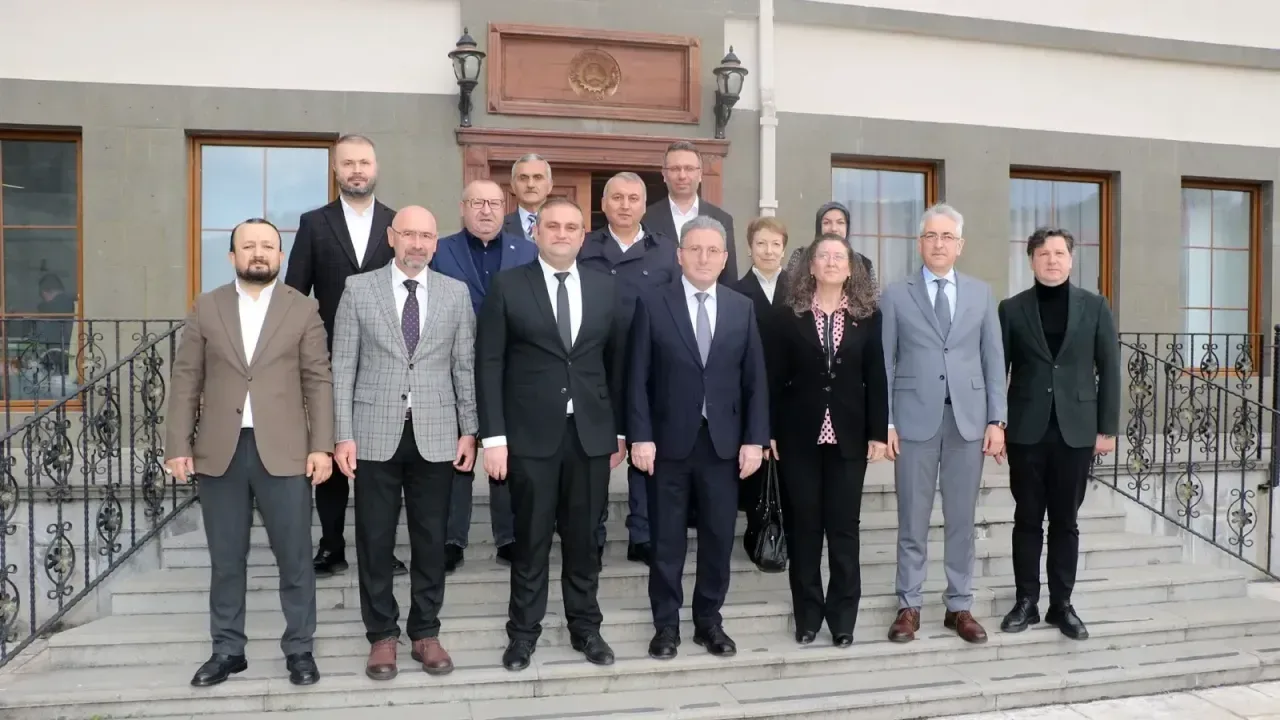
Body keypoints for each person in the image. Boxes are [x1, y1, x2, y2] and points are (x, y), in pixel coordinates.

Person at [165, 218, 333, 688]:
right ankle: (227, 650)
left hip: (285, 452)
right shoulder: (207, 307)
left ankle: (300, 649)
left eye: (268, 246)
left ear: (280, 256)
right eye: (249, 246)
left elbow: (318, 382)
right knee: (226, 557)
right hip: (220, 452)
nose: (258, 253)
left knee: (296, 557)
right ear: (232, 255)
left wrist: (321, 445)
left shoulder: (303, 310)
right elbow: (185, 380)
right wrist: (178, 444)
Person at [476, 196, 628, 672]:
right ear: (536, 233)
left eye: (571, 227)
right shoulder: (508, 285)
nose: (562, 233)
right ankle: (523, 634)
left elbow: (616, 366)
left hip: (589, 437)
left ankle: (586, 629)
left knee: (585, 542)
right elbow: (489, 363)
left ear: (584, 236)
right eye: (553, 226)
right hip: (528, 438)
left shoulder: (607, 289)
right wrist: (493, 438)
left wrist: (619, 432)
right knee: (532, 540)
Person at [331, 205, 478, 680]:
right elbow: (343, 367)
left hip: (436, 433)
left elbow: (464, 366)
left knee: (431, 539)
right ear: (392, 237)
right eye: (409, 234)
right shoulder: (359, 289)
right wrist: (342, 434)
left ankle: (425, 632)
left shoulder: (455, 294)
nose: (418, 243)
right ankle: (381, 636)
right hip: (373, 434)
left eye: (427, 236)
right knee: (374, 538)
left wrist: (469, 429)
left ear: (437, 243)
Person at [628, 215, 768, 661]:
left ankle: (709, 622)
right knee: (666, 541)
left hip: (723, 446)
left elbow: (755, 381)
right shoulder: (652, 302)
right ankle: (665, 626)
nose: (704, 258)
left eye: (713, 250)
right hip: (667, 444)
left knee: (717, 538)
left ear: (725, 258)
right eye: (696, 249)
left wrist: (754, 440)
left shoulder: (740, 307)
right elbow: (637, 378)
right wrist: (640, 436)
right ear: (680, 255)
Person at [881, 203, 1006, 645]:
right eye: (931, 236)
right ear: (920, 243)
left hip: (967, 423)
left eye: (947, 237)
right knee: (912, 519)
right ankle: (909, 605)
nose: (939, 244)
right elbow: (886, 364)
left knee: (961, 520)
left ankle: (959, 607)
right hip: (915, 421)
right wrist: (888, 422)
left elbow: (994, 360)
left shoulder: (980, 293)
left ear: (960, 245)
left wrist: (997, 419)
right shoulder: (896, 295)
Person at [284, 134, 405, 578]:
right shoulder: (314, 223)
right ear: (336, 169)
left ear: (376, 167)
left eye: (365, 162)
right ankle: (331, 545)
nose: (357, 170)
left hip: (388, 362)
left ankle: (382, 549)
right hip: (329, 360)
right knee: (332, 453)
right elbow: (296, 295)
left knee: (382, 461)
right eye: (348, 163)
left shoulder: (398, 224)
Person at [765, 234, 888, 647]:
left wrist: (877, 431)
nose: (832, 262)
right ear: (811, 266)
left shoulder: (869, 317)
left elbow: (876, 377)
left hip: (849, 437)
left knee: (843, 529)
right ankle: (807, 617)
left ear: (851, 268)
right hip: (798, 435)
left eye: (840, 256)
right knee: (804, 528)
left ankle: (842, 619)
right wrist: (769, 430)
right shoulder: (787, 316)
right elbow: (771, 378)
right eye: (824, 256)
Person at [997, 227, 1119, 641]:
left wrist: (1107, 427)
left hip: (1077, 431)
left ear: (1071, 258)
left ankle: (1061, 605)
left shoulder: (1095, 306)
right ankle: (1026, 601)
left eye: (1059, 253)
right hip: (1026, 429)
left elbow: (1110, 369)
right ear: (1031, 260)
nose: (1052, 259)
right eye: (1043, 253)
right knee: (1027, 518)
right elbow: (998, 372)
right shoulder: (1011, 309)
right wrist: (996, 424)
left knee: (1065, 521)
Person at [432, 179, 538, 572]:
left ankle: (509, 537)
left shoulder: (527, 250)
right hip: (450, 366)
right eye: (477, 202)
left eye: (494, 202)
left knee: (503, 450)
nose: (486, 210)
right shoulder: (440, 250)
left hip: (511, 369)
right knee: (455, 455)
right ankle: (450, 539)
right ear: (463, 208)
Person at [578, 171, 679, 566]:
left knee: (644, 445)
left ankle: (643, 532)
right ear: (604, 205)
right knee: (595, 450)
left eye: (633, 198)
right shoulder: (585, 247)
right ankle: (592, 532)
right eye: (616, 198)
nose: (624, 205)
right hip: (592, 364)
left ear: (644, 205)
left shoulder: (665, 250)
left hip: (648, 366)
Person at [733, 216, 791, 530]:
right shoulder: (734, 291)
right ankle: (758, 531)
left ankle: (788, 530)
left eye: (775, 244)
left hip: (791, 392)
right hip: (749, 390)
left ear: (784, 249)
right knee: (754, 464)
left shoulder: (799, 290)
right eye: (761, 243)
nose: (768, 251)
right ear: (749, 247)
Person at [641, 141, 738, 285]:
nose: (682, 175)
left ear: (700, 174)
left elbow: (728, 279)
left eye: (689, 168)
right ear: (664, 174)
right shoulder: (645, 219)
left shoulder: (722, 219)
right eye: (675, 168)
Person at [784, 202, 875, 281]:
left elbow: (873, 299)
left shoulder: (864, 264)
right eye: (827, 223)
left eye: (840, 223)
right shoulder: (800, 257)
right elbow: (788, 294)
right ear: (819, 227)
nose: (834, 229)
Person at [502, 154, 553, 242]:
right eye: (523, 178)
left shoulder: (565, 226)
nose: (530, 184)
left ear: (550, 185)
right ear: (513, 185)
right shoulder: (499, 227)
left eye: (538, 177)